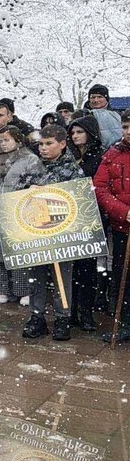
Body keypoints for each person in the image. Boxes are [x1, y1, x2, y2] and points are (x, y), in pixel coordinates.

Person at [22, 125, 84, 341]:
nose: (44, 148)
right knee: (36, 276)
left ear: (63, 144)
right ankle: (36, 316)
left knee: (61, 277)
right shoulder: (33, 167)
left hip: (61, 232)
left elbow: (78, 199)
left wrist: (48, 194)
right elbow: (17, 193)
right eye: (41, 144)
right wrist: (26, 192)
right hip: (35, 231)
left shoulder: (72, 169)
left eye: (49, 144)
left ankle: (62, 318)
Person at [0, 125, 41, 307]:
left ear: (18, 140)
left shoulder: (30, 159)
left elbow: (36, 183)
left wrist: (20, 199)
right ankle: (1, 289)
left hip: (19, 210)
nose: (4, 144)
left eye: (7, 140)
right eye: (1, 140)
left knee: (19, 251)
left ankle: (23, 290)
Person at [95, 111, 130, 344]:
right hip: (122, 228)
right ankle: (125, 324)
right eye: (126, 127)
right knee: (123, 279)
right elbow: (100, 187)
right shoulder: (113, 154)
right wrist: (123, 212)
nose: (129, 132)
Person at [68, 116, 105, 332]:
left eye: (79, 132)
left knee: (88, 269)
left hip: (91, 217)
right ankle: (71, 311)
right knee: (70, 268)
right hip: (70, 217)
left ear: (89, 133)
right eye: (73, 133)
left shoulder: (99, 157)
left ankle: (87, 313)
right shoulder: (69, 156)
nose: (75, 136)